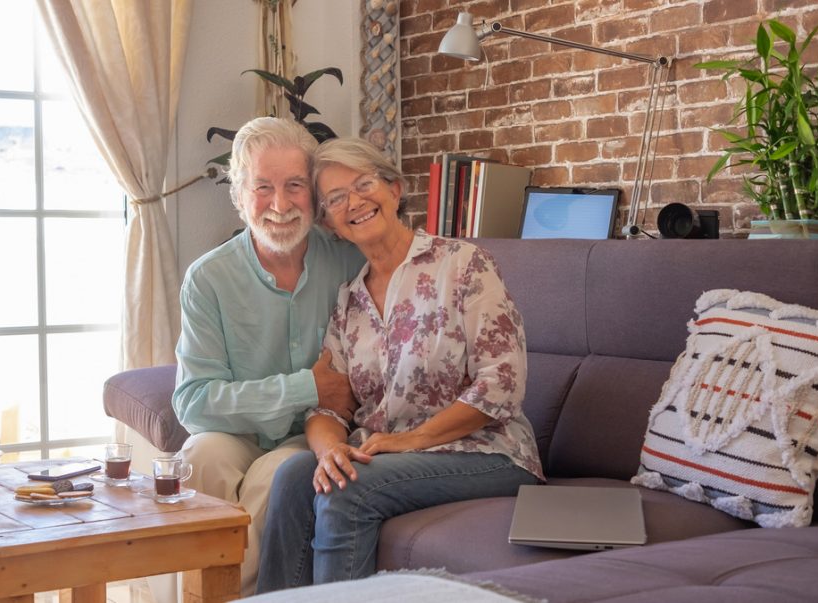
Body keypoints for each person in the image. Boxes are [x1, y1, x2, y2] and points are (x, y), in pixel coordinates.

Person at [256, 137, 544, 592]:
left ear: (394, 189)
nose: (354, 202)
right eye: (335, 199)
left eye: (364, 184)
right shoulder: (348, 301)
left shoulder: (464, 264)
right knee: (294, 475)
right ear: (330, 223)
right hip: (391, 455)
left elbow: (501, 385)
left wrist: (409, 441)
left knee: (346, 489)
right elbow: (329, 407)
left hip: (489, 452)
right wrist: (329, 450)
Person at [171, 117, 365, 597]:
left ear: (313, 194)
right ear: (239, 197)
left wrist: (320, 400)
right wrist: (307, 385)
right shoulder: (208, 279)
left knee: (275, 475)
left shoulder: (348, 261)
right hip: (237, 433)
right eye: (263, 188)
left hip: (312, 433)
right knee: (199, 455)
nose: (280, 205)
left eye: (294, 186)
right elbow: (193, 403)